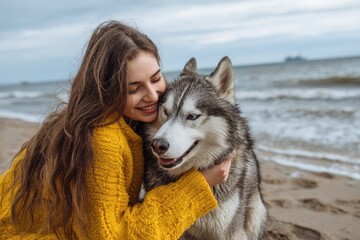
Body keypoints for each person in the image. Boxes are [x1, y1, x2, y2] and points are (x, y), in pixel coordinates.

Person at [0, 20, 232, 239]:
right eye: (134, 89)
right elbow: (113, 236)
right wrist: (198, 184)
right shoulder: (103, 139)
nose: (153, 96)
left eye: (156, 78)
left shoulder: (123, 120)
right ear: (107, 90)